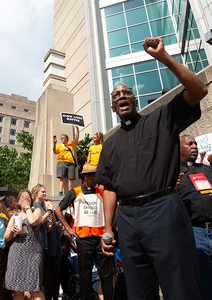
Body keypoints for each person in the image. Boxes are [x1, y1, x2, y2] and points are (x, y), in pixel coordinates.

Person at [96, 37, 208, 300]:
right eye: (116, 95)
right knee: (139, 292)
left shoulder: (161, 119)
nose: (121, 96)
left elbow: (198, 91)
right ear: (113, 106)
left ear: (134, 99)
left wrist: (164, 57)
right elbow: (110, 187)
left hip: (164, 211)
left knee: (180, 287)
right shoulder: (109, 145)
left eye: (126, 92)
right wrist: (109, 228)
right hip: (128, 220)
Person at [55, 165, 114, 300]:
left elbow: (113, 205)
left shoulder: (101, 191)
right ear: (86, 177)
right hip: (83, 239)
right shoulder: (75, 192)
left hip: (101, 238)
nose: (96, 178)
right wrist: (68, 228)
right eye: (93, 175)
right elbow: (58, 210)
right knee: (84, 276)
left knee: (106, 275)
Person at [177, 134, 212, 300]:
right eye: (189, 143)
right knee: (204, 282)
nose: (194, 146)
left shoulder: (206, 170)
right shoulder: (173, 174)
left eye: (196, 143)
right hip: (195, 233)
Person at [4, 189, 45, 300]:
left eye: (27, 198)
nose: (25, 199)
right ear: (18, 201)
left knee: (34, 290)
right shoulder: (14, 216)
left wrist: (27, 208)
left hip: (33, 252)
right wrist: (12, 230)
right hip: (17, 253)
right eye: (22, 197)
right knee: (17, 290)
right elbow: (6, 238)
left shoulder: (36, 211)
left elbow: (33, 222)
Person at [30, 184, 60, 300]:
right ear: (36, 193)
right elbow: (37, 222)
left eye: (45, 191)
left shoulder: (42, 206)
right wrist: (48, 211)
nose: (44, 193)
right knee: (42, 276)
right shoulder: (34, 206)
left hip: (48, 244)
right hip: (38, 244)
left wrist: (52, 224)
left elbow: (46, 227)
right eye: (42, 192)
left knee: (50, 275)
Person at [53, 126, 80, 196]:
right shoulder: (59, 146)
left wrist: (77, 130)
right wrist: (54, 143)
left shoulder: (71, 145)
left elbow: (76, 139)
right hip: (62, 162)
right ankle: (61, 191)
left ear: (67, 139)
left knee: (70, 179)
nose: (62, 139)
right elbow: (55, 151)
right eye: (61, 138)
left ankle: (70, 192)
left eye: (63, 138)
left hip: (71, 163)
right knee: (61, 178)